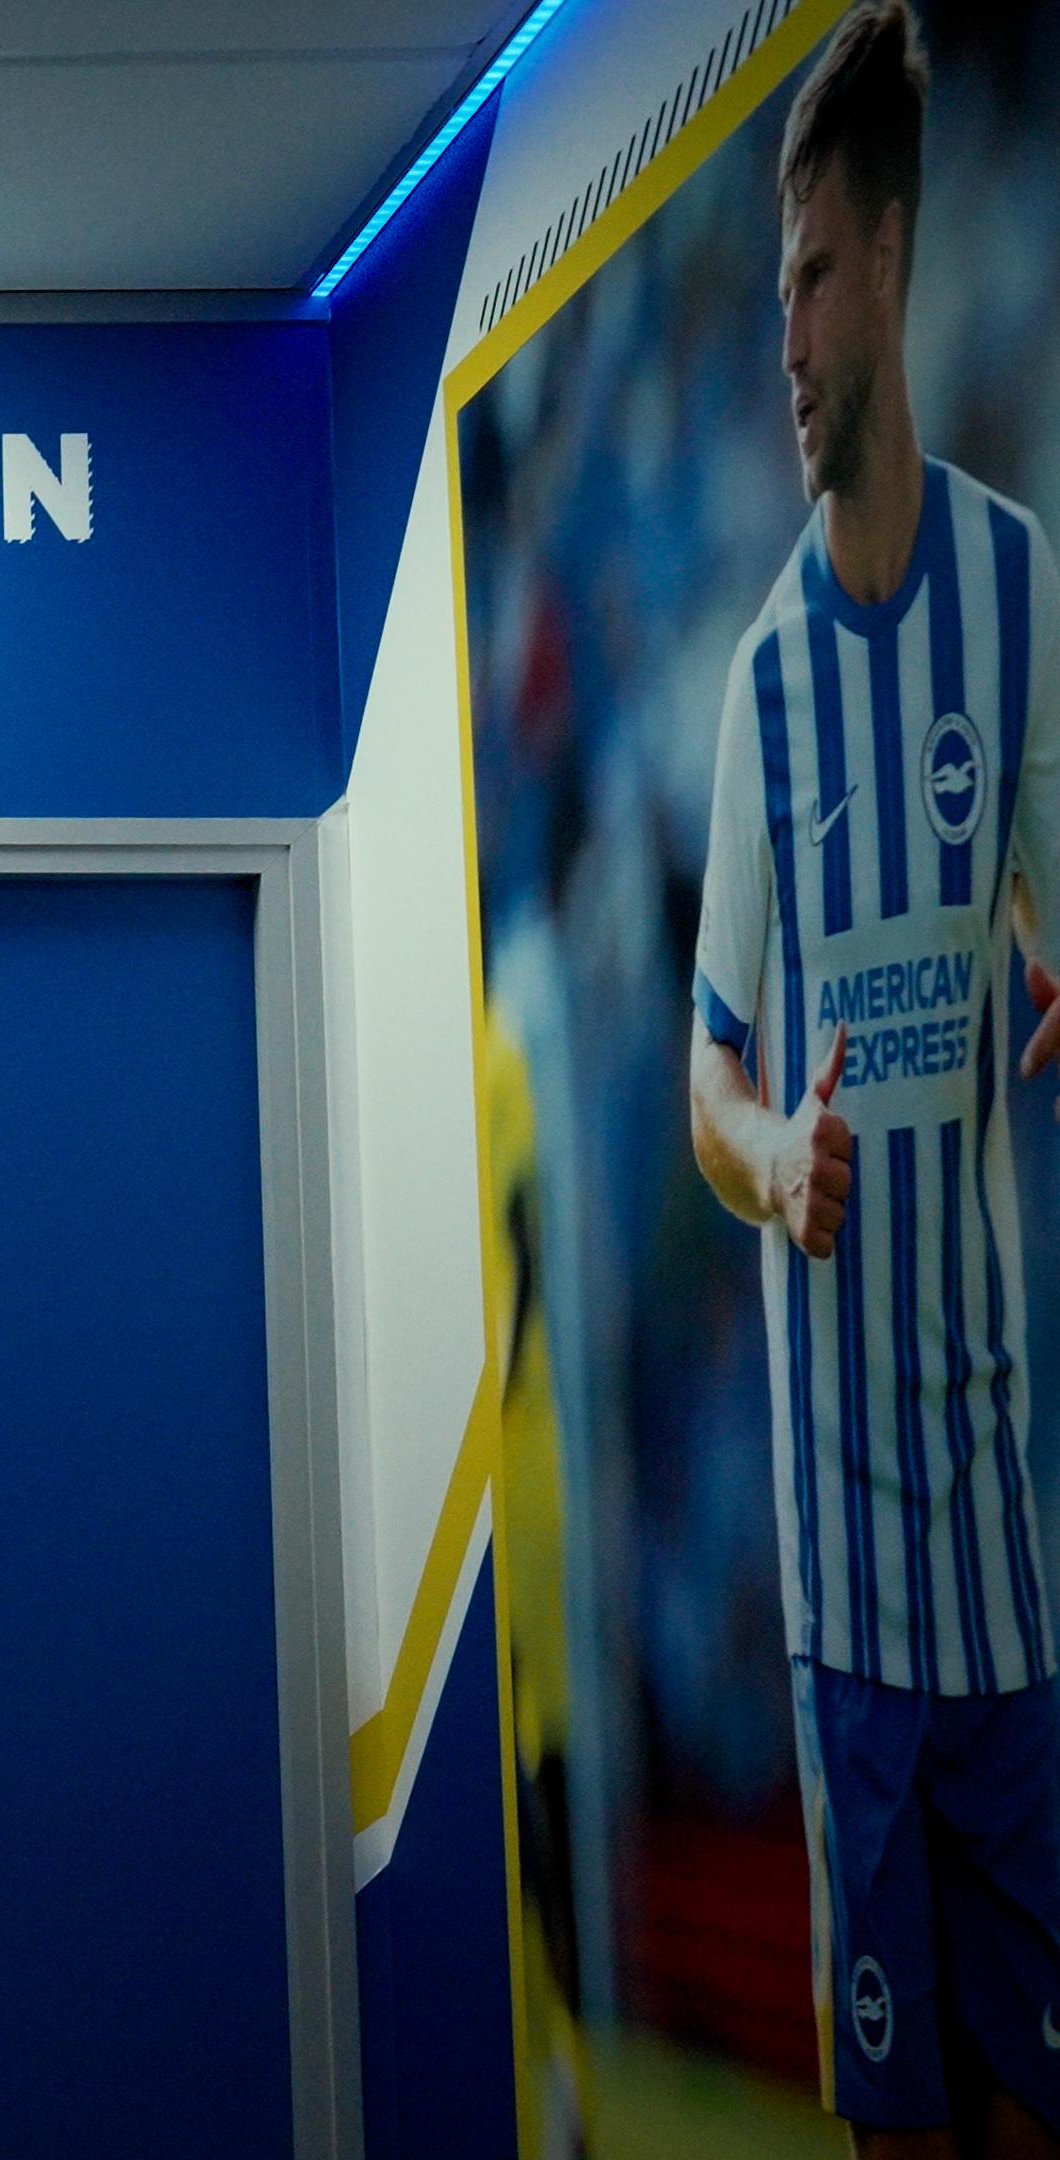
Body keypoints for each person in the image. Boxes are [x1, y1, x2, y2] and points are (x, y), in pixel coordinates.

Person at [682, 7, 1060, 2153]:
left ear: (896, 261)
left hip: (1009, 1565)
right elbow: (708, 1076)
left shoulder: (1021, 595)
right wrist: (773, 1165)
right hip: (845, 1603)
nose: (791, 335)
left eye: (816, 275)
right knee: (901, 2128)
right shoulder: (757, 690)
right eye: (777, 289)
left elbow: (1052, 901)